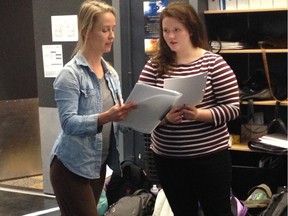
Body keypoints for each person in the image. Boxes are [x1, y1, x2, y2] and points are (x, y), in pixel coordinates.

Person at [138, 2, 240, 216]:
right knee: (182, 212)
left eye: (177, 30)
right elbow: (140, 114)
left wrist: (199, 114)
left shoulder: (213, 63)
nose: (171, 36)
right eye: (166, 30)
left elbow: (232, 108)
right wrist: (165, 119)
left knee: (218, 211)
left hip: (210, 158)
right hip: (168, 159)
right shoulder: (154, 66)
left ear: (191, 30)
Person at [49, 1, 136, 215]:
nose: (111, 35)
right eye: (105, 30)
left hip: (97, 166)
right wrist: (106, 117)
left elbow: (119, 122)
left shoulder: (111, 74)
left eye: (113, 29)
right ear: (86, 31)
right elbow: (69, 123)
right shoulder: (70, 75)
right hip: (70, 168)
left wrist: (141, 116)